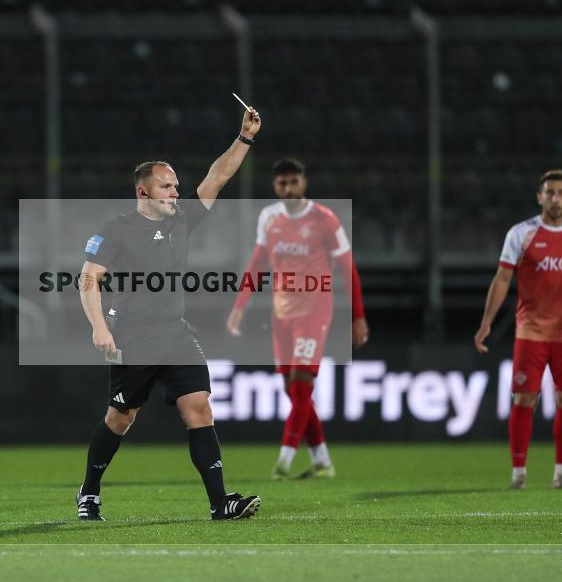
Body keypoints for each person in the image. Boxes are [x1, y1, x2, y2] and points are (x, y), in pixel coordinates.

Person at [76, 107, 262, 521]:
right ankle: (89, 491)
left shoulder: (181, 219)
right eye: (167, 186)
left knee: (200, 408)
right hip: (133, 336)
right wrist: (99, 328)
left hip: (176, 334)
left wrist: (245, 137)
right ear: (143, 193)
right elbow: (88, 278)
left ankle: (220, 503)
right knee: (120, 419)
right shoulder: (116, 230)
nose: (176, 193)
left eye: (176, 185)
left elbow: (217, 177)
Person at [226, 158, 368, 480]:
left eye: (293, 182)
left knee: (302, 387)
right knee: (292, 390)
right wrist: (239, 306)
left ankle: (284, 461)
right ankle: (322, 460)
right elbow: (257, 263)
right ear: (274, 186)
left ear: (304, 183)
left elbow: (348, 270)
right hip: (282, 315)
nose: (288, 189)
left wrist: (358, 317)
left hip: (314, 311)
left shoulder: (325, 220)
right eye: (282, 183)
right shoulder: (269, 217)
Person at [474, 169, 562, 490]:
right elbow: (503, 278)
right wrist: (487, 322)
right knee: (524, 398)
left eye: (561, 192)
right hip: (531, 331)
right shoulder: (521, 233)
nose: (555, 198)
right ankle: (518, 474)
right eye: (549, 192)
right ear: (540, 197)